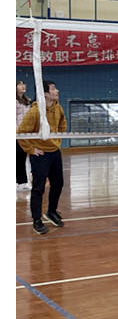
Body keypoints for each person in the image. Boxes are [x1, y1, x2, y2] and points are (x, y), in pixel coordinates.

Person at [18, 80, 67, 234]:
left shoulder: (58, 107)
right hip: (40, 155)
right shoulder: (34, 112)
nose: (57, 91)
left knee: (58, 183)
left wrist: (57, 140)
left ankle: (51, 212)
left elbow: (62, 124)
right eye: (53, 89)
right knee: (38, 188)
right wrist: (31, 149)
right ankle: (37, 220)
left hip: (55, 152)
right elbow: (20, 133)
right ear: (45, 93)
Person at [17, 81, 33, 193]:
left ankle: (22, 182)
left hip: (26, 133)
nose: (23, 86)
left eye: (24, 84)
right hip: (16, 133)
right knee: (18, 157)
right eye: (20, 84)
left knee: (23, 157)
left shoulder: (27, 100)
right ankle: (20, 182)